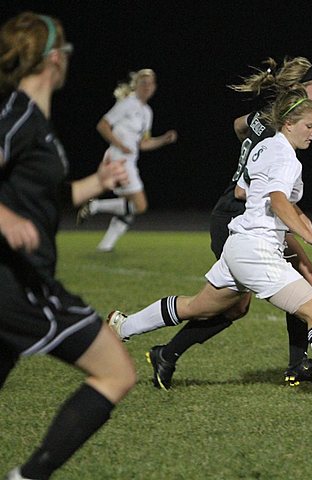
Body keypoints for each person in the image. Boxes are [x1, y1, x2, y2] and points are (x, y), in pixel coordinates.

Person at [107, 87, 312, 404]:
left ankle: (123, 326)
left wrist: (297, 215)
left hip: (238, 245)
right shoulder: (287, 158)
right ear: (289, 123)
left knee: (194, 307)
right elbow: (278, 200)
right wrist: (307, 235)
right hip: (258, 251)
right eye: (309, 125)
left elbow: (245, 190)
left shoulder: (262, 148)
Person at [0, 12, 136, 479]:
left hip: (14, 284)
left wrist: (96, 183)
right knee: (116, 371)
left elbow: (48, 202)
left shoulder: (36, 122)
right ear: (54, 58)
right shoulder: (16, 116)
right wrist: (6, 218)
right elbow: (15, 211)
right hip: (18, 284)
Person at [144, 57, 312, 390]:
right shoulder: (280, 130)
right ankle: (161, 349)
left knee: (250, 298)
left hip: (239, 213)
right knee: (228, 303)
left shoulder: (265, 118)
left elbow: (238, 125)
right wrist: (301, 224)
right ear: (299, 90)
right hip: (238, 215)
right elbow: (248, 191)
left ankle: (295, 364)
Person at [76, 68, 178, 252]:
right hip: (118, 159)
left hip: (129, 160)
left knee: (128, 208)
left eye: (150, 83)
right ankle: (95, 206)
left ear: (155, 87)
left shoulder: (147, 112)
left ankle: (105, 246)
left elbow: (143, 144)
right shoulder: (127, 104)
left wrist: (163, 139)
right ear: (136, 85)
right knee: (140, 205)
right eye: (143, 83)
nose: (147, 87)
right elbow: (103, 125)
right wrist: (120, 144)